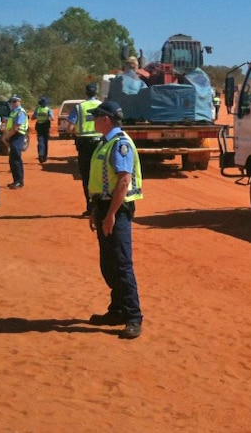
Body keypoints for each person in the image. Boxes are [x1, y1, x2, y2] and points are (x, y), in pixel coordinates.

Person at [85, 101, 144, 339]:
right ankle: (117, 310)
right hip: (104, 207)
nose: (94, 120)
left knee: (121, 264)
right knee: (109, 264)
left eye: (96, 116)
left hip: (116, 211)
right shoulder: (106, 142)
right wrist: (94, 210)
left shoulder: (120, 144)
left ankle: (133, 317)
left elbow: (123, 180)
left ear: (106, 119)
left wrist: (110, 214)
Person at [69, 83, 103, 217]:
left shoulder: (79, 108)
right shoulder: (102, 106)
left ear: (86, 93)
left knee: (87, 177)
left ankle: (90, 208)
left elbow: (70, 128)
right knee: (101, 175)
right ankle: (102, 207)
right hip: (100, 144)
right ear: (97, 92)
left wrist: (78, 132)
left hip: (84, 145)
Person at [2, 95, 28, 189]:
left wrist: (7, 136)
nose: (12, 103)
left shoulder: (20, 112)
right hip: (13, 136)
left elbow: (16, 127)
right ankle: (16, 180)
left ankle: (19, 181)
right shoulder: (13, 112)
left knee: (16, 159)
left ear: (19, 101)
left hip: (18, 135)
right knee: (13, 159)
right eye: (11, 102)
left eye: (14, 101)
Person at [31, 97, 54, 163]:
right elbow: (52, 118)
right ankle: (45, 157)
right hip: (46, 126)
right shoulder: (48, 109)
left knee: (40, 140)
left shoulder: (37, 109)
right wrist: (47, 117)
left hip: (39, 126)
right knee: (45, 141)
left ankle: (40, 154)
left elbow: (33, 118)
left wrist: (38, 116)